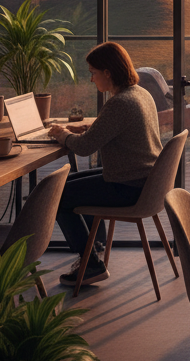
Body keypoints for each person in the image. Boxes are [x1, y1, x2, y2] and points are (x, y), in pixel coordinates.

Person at [48, 42, 163, 287]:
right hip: (144, 179)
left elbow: (83, 147)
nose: (92, 79)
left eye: (93, 73)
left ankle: (90, 263)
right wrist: (86, 129)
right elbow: (113, 130)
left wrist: (61, 134)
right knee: (67, 184)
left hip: (129, 185)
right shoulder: (140, 94)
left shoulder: (120, 103)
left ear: (107, 73)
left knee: (55, 194)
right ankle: (94, 247)